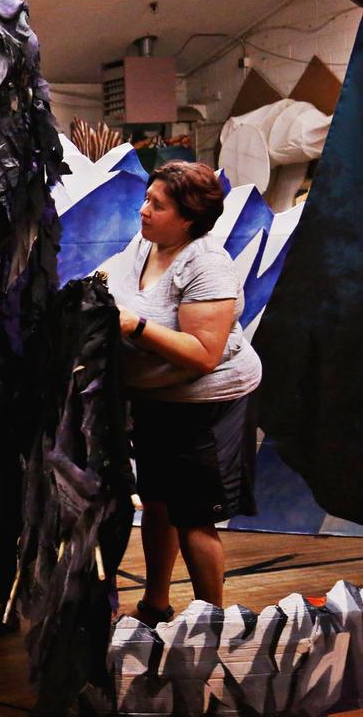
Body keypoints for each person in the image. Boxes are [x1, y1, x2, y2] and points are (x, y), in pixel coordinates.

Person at [108, 161, 261, 627]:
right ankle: (155, 604)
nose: (144, 210)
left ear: (189, 218)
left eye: (157, 204)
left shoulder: (207, 265)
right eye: (146, 198)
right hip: (157, 399)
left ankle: (210, 627)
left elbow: (202, 355)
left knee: (193, 514)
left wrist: (133, 326)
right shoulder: (145, 244)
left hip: (208, 402)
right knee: (156, 501)